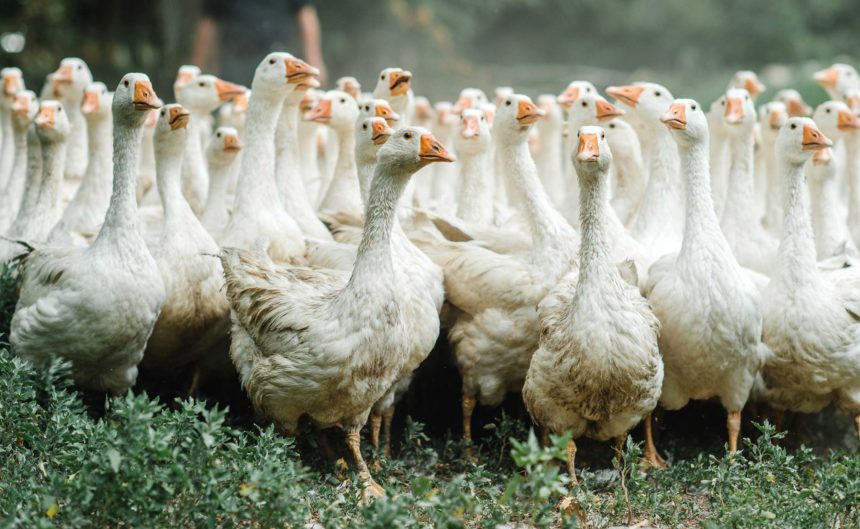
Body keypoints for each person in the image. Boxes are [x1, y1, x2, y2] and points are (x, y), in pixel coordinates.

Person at [191, 0, 327, 86]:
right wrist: (197, 67)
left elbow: (306, 14)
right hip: (236, 63)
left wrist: (314, 60)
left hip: (280, 62)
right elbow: (208, 22)